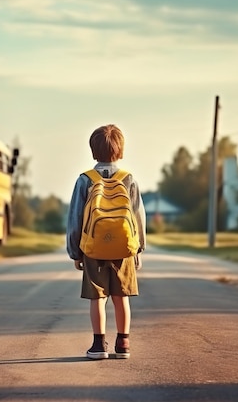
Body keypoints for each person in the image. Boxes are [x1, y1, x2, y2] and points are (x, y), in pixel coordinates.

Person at [66, 124, 146, 360]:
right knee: (122, 297)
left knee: (97, 297)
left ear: (93, 151)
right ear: (120, 151)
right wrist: (138, 249)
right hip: (124, 249)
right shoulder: (128, 179)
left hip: (93, 249)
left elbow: (75, 218)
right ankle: (123, 344)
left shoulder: (85, 180)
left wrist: (75, 252)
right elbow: (138, 217)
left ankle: (99, 345)